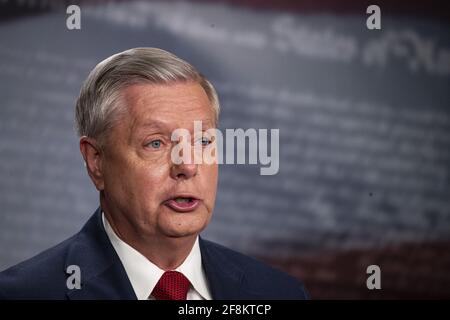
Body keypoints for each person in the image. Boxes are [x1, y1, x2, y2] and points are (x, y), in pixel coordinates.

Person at [0, 48, 308, 300]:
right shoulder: (23, 294)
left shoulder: (279, 292)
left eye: (203, 141)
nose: (187, 166)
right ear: (96, 161)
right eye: (156, 143)